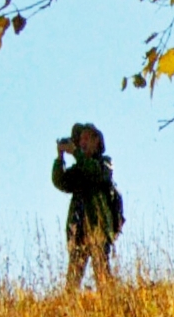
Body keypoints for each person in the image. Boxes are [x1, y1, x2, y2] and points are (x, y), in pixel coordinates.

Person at [53, 123, 124, 291]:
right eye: (79, 139)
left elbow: (95, 173)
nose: (81, 142)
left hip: (98, 228)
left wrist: (76, 153)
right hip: (78, 231)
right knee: (72, 281)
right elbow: (61, 181)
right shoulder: (79, 168)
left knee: (102, 275)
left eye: (85, 138)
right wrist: (59, 158)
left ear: (96, 141)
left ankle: (109, 305)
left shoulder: (104, 163)